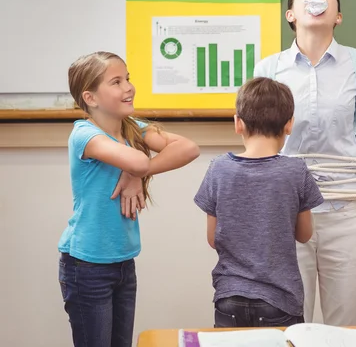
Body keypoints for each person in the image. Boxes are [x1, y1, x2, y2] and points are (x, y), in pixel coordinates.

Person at [253, 0, 356, 326]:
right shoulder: (268, 68)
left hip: (346, 215)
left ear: (337, 15)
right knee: (291, 323)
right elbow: (260, 149)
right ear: (291, 13)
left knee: (345, 328)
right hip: (287, 216)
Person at [58, 52, 200, 347]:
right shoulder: (84, 135)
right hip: (86, 265)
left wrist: (137, 175)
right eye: (117, 82)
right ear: (91, 97)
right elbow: (137, 160)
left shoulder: (131, 128)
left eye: (128, 79)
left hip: (122, 262)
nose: (129, 87)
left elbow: (188, 148)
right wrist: (136, 168)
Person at [194, 77, 324, 328]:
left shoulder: (218, 168)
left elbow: (213, 239)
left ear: (238, 123)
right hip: (280, 300)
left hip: (229, 296)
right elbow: (305, 235)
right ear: (289, 125)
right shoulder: (296, 171)